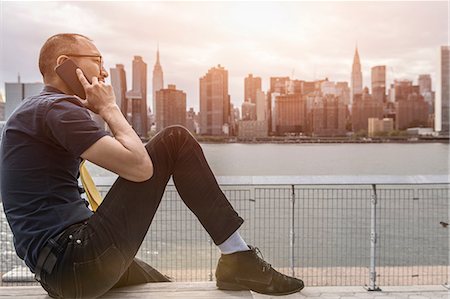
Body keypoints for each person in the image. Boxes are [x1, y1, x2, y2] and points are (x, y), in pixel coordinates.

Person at [0, 33, 304, 298]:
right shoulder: (57, 108)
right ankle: (238, 258)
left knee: (162, 285)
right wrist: (109, 107)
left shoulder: (35, 111)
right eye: (97, 60)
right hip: (74, 259)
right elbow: (139, 167)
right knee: (175, 140)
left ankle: (236, 261)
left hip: (61, 270)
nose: (104, 72)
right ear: (64, 63)